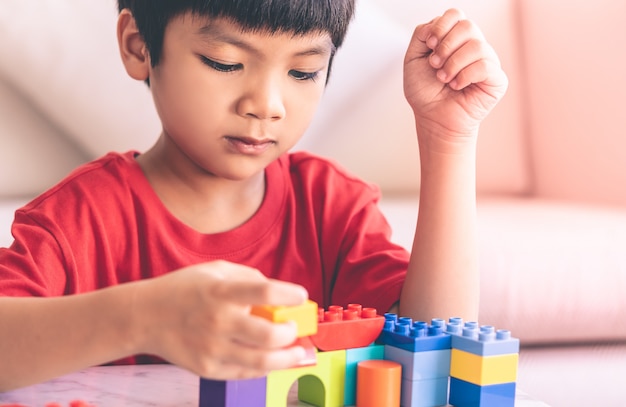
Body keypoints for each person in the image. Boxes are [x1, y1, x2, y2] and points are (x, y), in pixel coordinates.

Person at [0, 0, 507, 392]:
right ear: (139, 47)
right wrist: (145, 318)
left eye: (303, 72)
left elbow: (434, 348)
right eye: (225, 63)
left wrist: (449, 140)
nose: (266, 105)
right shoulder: (78, 219)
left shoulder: (329, 206)